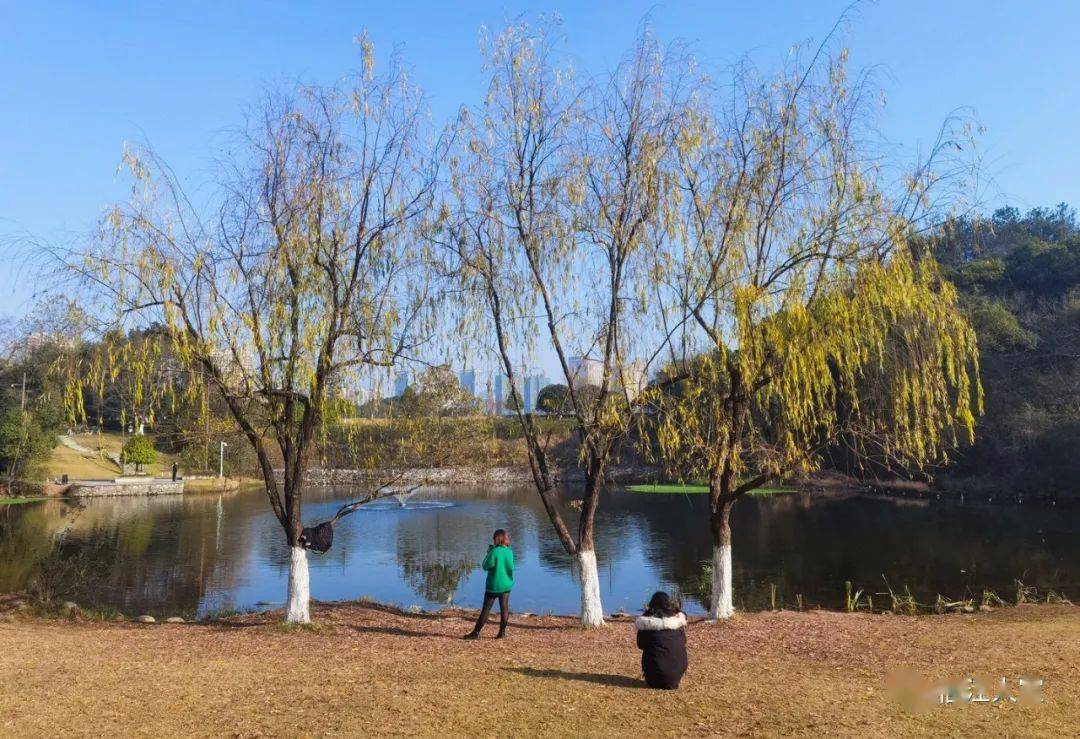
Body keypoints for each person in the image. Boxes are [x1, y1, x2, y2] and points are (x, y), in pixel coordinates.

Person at [464, 529, 514, 640]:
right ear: (504, 539)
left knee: (486, 610)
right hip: (506, 585)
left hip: (494, 586)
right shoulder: (510, 552)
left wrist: (488, 553)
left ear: (497, 539)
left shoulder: (494, 551)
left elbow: (486, 566)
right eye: (507, 537)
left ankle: (476, 633)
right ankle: (502, 633)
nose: (508, 539)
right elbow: (511, 567)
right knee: (504, 609)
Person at [635, 591, 688, 689]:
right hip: (676, 675)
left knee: (651, 648)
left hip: (654, 677)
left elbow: (641, 645)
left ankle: (658, 676)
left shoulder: (647, 624)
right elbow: (684, 641)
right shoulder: (677, 622)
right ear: (668, 604)